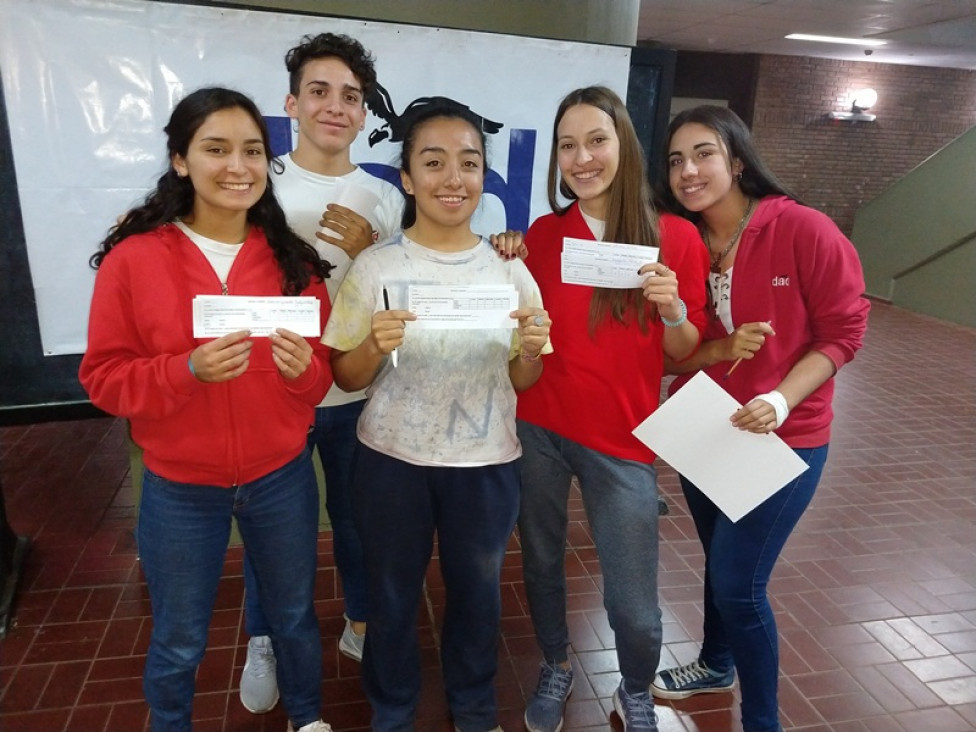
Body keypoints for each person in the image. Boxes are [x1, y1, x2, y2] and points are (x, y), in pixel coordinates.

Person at [78, 87, 334, 732]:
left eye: (252, 151)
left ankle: (308, 718)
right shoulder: (135, 259)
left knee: (296, 617)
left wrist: (305, 373)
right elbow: (104, 380)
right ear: (181, 160)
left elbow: (319, 380)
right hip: (180, 488)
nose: (237, 166)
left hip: (281, 477)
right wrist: (183, 371)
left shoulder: (294, 263)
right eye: (215, 149)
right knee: (181, 636)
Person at [323, 103, 551, 732]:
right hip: (391, 461)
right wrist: (373, 343)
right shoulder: (376, 268)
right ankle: (391, 709)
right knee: (391, 596)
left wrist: (530, 350)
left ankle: (474, 708)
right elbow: (346, 376)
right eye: (434, 162)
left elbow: (523, 377)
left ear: (484, 178)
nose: (454, 177)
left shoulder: (509, 268)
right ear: (406, 178)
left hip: (484, 465)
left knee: (477, 596)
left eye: (469, 163)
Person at [652, 105, 869, 732]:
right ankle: (716, 664)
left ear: (737, 159)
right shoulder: (680, 239)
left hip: (786, 439)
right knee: (718, 558)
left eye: (703, 154)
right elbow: (677, 348)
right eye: (676, 160)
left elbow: (845, 331)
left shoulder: (801, 228)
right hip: (704, 426)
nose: (688, 170)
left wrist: (781, 399)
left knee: (738, 585)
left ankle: (763, 722)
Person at [514, 86, 709, 732]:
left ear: (622, 144)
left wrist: (672, 307)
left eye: (596, 140)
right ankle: (555, 663)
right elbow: (525, 324)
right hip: (539, 424)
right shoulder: (544, 236)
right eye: (567, 145)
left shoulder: (675, 237)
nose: (582, 157)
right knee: (540, 560)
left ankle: (633, 688)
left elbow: (683, 352)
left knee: (633, 604)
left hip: (621, 439)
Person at [238, 32, 403, 715]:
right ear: (292, 104)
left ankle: (361, 624)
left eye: (351, 97)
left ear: (363, 115)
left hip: (355, 392)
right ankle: (265, 637)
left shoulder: (383, 197)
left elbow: (400, 296)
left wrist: (370, 253)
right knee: (270, 527)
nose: (335, 107)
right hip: (271, 388)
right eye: (320, 91)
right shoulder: (256, 181)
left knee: (358, 522)